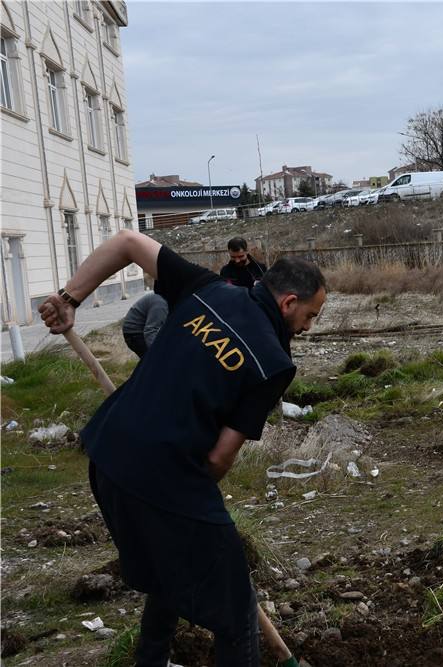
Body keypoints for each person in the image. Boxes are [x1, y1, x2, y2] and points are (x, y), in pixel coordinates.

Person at [38, 229, 326, 665]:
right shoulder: (274, 363)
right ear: (288, 303)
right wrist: (189, 503)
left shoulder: (206, 287)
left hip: (107, 455)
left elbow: (127, 242)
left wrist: (69, 298)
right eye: (310, 315)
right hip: (165, 476)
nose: (308, 327)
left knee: (168, 567)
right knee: (236, 615)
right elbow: (219, 458)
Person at [121, 292, 168, 358]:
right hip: (134, 333)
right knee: (155, 359)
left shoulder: (164, 301)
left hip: (138, 330)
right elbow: (150, 331)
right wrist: (157, 352)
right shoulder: (161, 304)